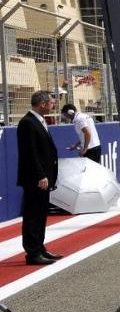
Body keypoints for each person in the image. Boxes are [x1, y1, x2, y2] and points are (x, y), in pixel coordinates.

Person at [17, 91, 62, 265]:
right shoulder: (28, 122)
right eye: (51, 102)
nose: (53, 105)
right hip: (36, 178)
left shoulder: (39, 121)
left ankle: (40, 247)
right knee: (33, 214)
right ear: (42, 104)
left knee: (41, 213)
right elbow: (30, 152)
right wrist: (41, 175)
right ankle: (32, 252)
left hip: (45, 176)